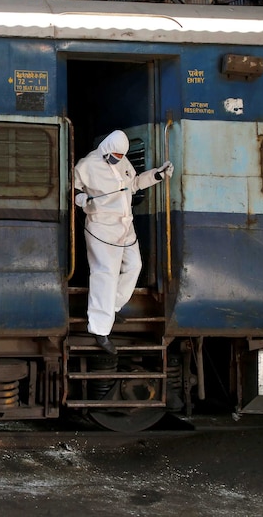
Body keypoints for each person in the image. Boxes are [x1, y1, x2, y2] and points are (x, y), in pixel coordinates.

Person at [74, 130, 173, 355]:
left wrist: (157, 175)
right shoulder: (87, 164)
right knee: (105, 274)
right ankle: (99, 329)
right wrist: (79, 197)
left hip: (125, 227)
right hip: (101, 228)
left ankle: (113, 306)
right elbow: (73, 187)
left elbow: (134, 184)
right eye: (115, 155)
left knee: (134, 266)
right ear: (106, 148)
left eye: (120, 155)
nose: (117, 158)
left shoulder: (123, 161)